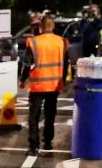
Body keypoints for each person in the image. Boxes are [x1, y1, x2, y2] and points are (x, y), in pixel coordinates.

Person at [19, 14, 68, 155]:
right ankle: (48, 143)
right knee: (50, 115)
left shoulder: (34, 42)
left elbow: (27, 64)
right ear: (53, 27)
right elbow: (65, 65)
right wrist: (62, 81)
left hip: (38, 85)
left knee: (34, 116)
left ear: (40, 27)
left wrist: (22, 80)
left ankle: (33, 147)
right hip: (53, 85)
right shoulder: (62, 42)